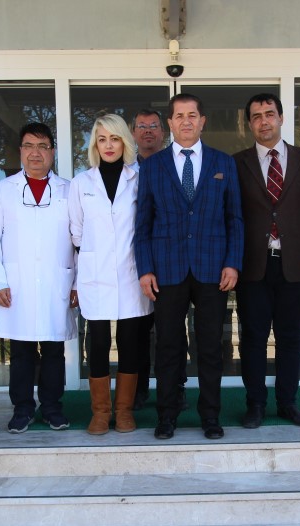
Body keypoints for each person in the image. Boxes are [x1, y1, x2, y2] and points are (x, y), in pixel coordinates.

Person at [134, 93, 244, 440]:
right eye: (179, 115)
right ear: (170, 123)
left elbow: (235, 219)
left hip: (213, 270)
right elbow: (143, 223)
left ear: (202, 121)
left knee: (210, 347)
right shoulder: (152, 166)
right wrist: (145, 269)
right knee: (168, 346)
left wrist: (233, 263)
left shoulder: (223, 163)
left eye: (192, 115)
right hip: (167, 270)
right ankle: (167, 416)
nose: (186, 121)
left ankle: (210, 416)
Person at [233, 93, 300, 429]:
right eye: (257, 116)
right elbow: (230, 217)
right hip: (253, 266)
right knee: (253, 338)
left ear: (280, 118)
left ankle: (288, 402)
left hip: (296, 266)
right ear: (250, 124)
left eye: (269, 114)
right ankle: (255, 404)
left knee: (292, 337)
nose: (264, 121)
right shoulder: (237, 163)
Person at [0, 122, 77, 433]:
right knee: (21, 350)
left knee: (53, 350)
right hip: (17, 285)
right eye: (28, 146)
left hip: (56, 282)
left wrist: (77, 283)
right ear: (21, 151)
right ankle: (22, 409)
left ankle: (52, 407)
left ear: (52, 151)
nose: (35, 153)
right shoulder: (3, 191)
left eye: (42, 146)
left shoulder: (69, 190)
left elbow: (80, 240)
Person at [69, 114, 152, 434]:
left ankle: (125, 410)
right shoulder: (81, 183)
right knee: (98, 342)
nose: (108, 145)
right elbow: (76, 233)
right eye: (102, 139)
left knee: (131, 342)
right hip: (96, 274)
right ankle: (101, 412)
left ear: (124, 142)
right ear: (94, 144)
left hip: (131, 272)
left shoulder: (139, 179)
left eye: (114, 138)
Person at [130, 109, 167, 410]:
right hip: (134, 263)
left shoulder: (174, 166)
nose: (148, 131)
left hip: (169, 262)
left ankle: (173, 389)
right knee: (137, 333)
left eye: (153, 125)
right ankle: (138, 390)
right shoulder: (124, 170)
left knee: (170, 332)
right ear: (133, 133)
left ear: (163, 132)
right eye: (141, 126)